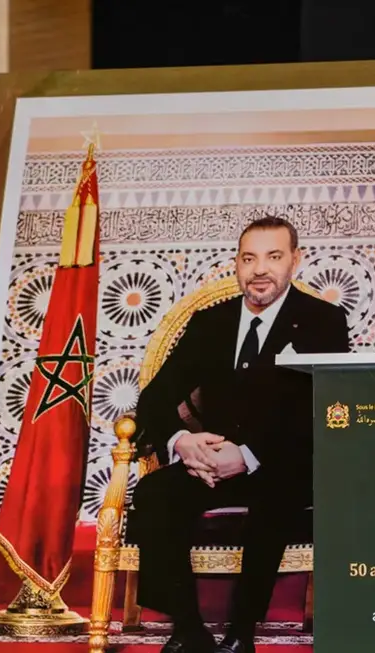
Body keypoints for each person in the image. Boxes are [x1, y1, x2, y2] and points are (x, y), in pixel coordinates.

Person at [126, 215, 352, 653]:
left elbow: (320, 410)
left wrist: (247, 455)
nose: (260, 269)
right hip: (208, 461)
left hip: (279, 461)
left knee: (276, 496)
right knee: (155, 493)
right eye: (249, 258)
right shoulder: (209, 322)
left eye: (273, 257)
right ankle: (189, 630)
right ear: (237, 264)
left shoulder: (322, 321)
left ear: (295, 261)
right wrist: (182, 443)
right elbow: (154, 398)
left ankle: (241, 632)